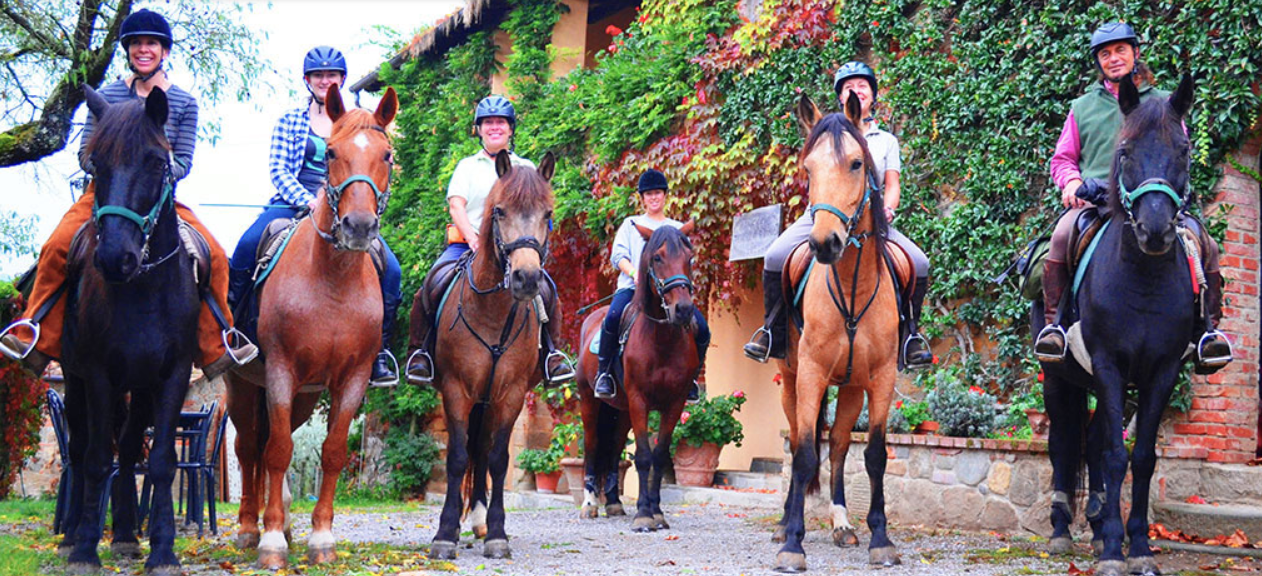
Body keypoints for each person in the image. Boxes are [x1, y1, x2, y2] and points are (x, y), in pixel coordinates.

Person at [0, 8, 254, 378]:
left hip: (159, 199)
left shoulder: (183, 102)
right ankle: (35, 333)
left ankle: (217, 344)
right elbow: (85, 153)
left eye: (151, 43)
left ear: (164, 51)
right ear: (128, 51)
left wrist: (156, 175)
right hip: (103, 196)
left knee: (213, 253)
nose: (143, 49)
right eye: (136, 43)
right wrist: (113, 171)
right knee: (55, 247)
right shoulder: (108, 95)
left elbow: (184, 159)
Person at [1035, 22, 1232, 373]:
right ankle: (1055, 327)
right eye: (1105, 53)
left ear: (1135, 53)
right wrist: (1071, 183)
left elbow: (1179, 153)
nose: (1113, 59)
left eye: (1120, 50)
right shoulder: (1083, 107)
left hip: (1152, 201)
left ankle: (1208, 333)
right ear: (1098, 61)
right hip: (1094, 203)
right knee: (1062, 237)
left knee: (1208, 245)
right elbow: (1063, 159)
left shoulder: (1164, 103)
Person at [227, 46, 403, 387]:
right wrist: (308, 201)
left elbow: (374, 168)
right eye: (319, 75)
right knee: (246, 246)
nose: (325, 80)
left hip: (346, 208)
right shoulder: (291, 120)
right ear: (308, 80)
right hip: (292, 203)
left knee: (392, 269)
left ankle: (380, 352)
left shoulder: (360, 122)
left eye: (332, 76)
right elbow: (278, 169)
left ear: (341, 80)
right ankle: (236, 330)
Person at [742, 61, 932, 369]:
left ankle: (910, 336)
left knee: (919, 263)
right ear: (841, 97)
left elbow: (892, 184)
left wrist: (889, 208)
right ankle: (772, 333)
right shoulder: (827, 133)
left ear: (871, 95)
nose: (856, 91)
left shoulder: (885, 140)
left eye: (862, 86)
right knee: (775, 256)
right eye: (848, 87)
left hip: (872, 217)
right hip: (823, 215)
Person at [405, 95, 575, 385]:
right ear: (479, 129)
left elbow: (535, 212)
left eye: (501, 122)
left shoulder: (527, 167)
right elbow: (456, 205)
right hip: (466, 244)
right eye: (488, 123)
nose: (494, 127)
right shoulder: (467, 167)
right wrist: (472, 238)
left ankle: (551, 355)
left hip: (514, 249)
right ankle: (421, 352)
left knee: (548, 290)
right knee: (432, 284)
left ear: (511, 129)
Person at [592, 170, 708, 402]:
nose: (654, 198)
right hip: (633, 288)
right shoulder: (630, 225)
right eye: (649, 194)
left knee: (702, 328)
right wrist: (634, 273)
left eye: (657, 193)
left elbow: (685, 261)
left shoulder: (676, 228)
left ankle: (692, 379)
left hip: (668, 293)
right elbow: (618, 256)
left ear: (665, 196)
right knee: (613, 316)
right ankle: (604, 373)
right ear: (642, 198)